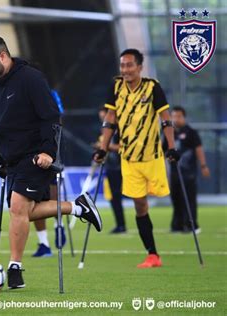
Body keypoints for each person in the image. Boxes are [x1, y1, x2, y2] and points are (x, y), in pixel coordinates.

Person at [0, 35, 103, 289]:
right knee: (22, 212)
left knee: (17, 208)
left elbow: (51, 117)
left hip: (36, 154)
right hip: (11, 157)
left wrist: (48, 152)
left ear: (3, 56)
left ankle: (14, 269)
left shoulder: (31, 78)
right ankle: (77, 207)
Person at [94, 48, 179, 269]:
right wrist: (103, 148)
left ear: (140, 67)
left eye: (129, 65)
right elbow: (110, 120)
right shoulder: (116, 87)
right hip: (129, 159)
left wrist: (171, 147)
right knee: (140, 205)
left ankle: (184, 224)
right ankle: (153, 254)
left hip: (152, 157)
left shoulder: (153, 87)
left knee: (163, 197)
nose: (125, 69)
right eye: (122, 65)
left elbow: (166, 119)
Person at [32, 89, 67, 258]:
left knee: (52, 194)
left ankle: (58, 224)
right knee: (34, 198)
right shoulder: (16, 90)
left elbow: (58, 118)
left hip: (50, 149)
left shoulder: (50, 93)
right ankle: (44, 243)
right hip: (29, 152)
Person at [164, 106, 209, 234]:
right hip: (174, 173)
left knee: (189, 199)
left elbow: (198, 149)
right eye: (173, 116)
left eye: (178, 116)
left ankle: (191, 224)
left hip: (189, 173)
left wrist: (203, 165)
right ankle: (177, 225)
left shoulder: (191, 132)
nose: (176, 119)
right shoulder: (169, 132)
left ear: (184, 117)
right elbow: (162, 151)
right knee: (176, 198)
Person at [95, 107, 126, 233]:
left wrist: (106, 147)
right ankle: (120, 224)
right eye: (102, 118)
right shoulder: (104, 131)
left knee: (120, 196)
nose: (104, 120)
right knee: (114, 197)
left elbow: (123, 147)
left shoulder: (120, 130)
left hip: (121, 166)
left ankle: (122, 224)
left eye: (105, 117)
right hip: (110, 167)